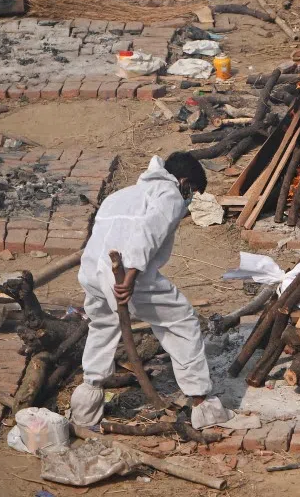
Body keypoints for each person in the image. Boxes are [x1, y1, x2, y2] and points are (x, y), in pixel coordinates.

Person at [71, 152, 232, 430]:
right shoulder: (168, 194)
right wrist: (130, 278)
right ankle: (203, 407)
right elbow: (148, 233)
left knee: (102, 327)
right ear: (183, 181)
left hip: (92, 274)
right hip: (125, 274)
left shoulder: (121, 195)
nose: (189, 197)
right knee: (181, 322)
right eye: (191, 191)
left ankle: (85, 410)